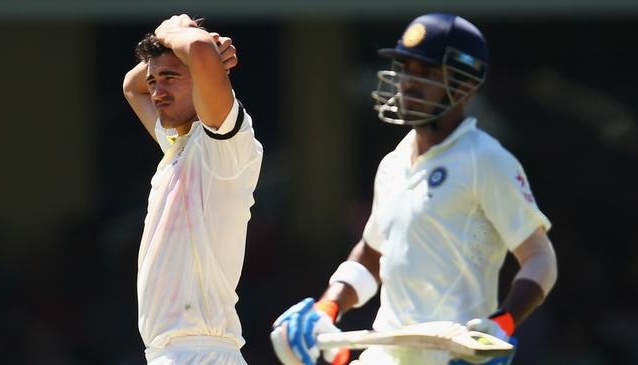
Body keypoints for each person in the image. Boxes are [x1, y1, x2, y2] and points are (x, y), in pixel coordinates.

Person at [270, 12, 557, 365]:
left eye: (426, 73)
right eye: (406, 68)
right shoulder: (393, 164)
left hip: (453, 356)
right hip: (385, 355)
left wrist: (502, 324)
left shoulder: (485, 159)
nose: (408, 82)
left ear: (465, 85)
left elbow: (541, 259)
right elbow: (372, 255)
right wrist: (328, 307)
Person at [122, 14, 263, 365]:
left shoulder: (224, 146)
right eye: (154, 79)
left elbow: (197, 48)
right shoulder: (176, 145)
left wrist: (178, 37)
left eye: (170, 77)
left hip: (202, 352)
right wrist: (178, 48)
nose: (156, 91)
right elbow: (131, 85)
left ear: (202, 79)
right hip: (171, 353)